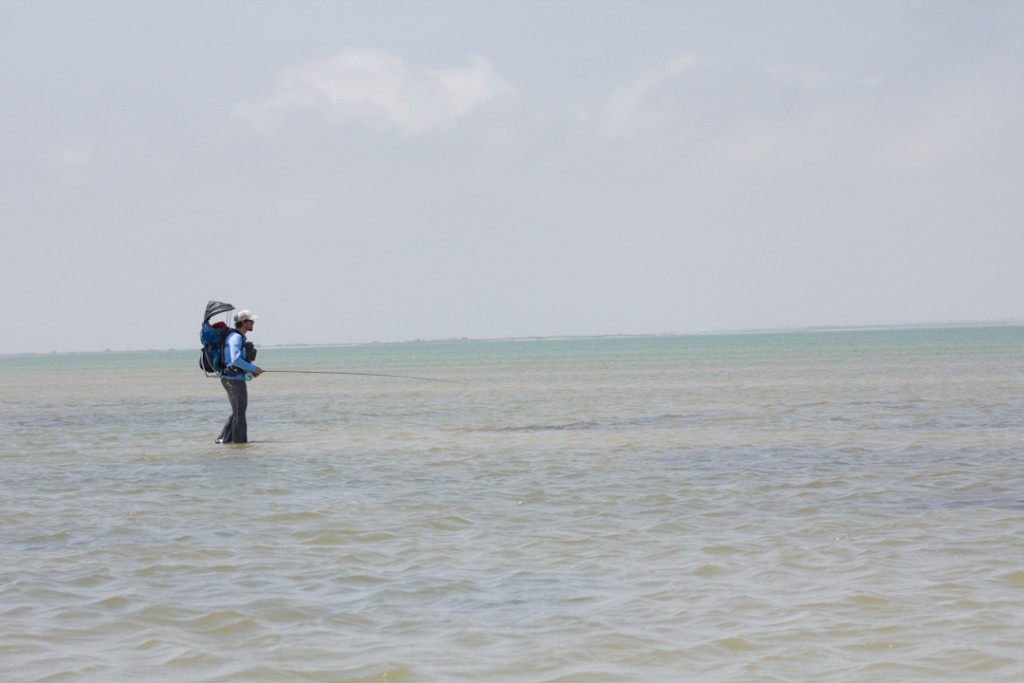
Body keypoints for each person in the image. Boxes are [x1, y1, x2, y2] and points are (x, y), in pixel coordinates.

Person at [216, 310, 263, 444]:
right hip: (233, 380)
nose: (253, 323)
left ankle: (223, 440)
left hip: (234, 378)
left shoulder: (238, 337)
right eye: (250, 321)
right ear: (243, 322)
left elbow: (236, 361)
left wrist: (251, 371)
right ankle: (240, 444)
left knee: (237, 412)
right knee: (240, 413)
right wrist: (254, 368)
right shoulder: (236, 337)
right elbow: (235, 359)